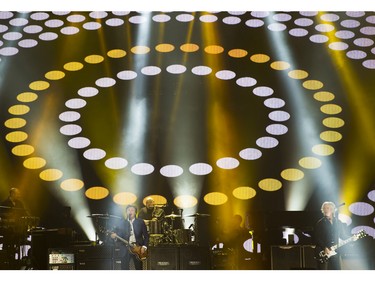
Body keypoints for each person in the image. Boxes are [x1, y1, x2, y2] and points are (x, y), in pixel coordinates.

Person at [314, 201, 353, 270]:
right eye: (324, 208)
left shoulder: (338, 222)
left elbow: (343, 235)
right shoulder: (320, 223)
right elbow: (316, 238)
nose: (325, 210)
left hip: (335, 251)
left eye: (327, 208)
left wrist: (352, 238)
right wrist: (324, 247)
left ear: (332, 210)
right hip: (323, 253)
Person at [110, 205, 149, 270]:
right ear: (126, 212)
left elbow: (146, 236)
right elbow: (119, 235)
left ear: (135, 212)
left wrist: (144, 246)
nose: (130, 212)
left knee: (139, 268)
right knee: (124, 268)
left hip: (137, 248)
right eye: (128, 210)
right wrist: (115, 237)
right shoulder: (122, 223)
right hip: (125, 249)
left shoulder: (140, 222)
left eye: (132, 210)